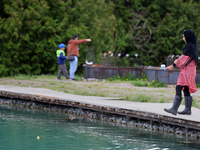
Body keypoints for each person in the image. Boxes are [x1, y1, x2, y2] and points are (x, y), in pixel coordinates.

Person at [164, 29, 199, 115]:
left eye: (184, 36)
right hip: (190, 70)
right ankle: (187, 110)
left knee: (178, 87)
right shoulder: (192, 46)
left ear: (188, 37)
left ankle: (174, 109)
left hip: (187, 71)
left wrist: (172, 65)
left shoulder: (190, 47)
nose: (183, 38)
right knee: (186, 88)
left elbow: (183, 59)